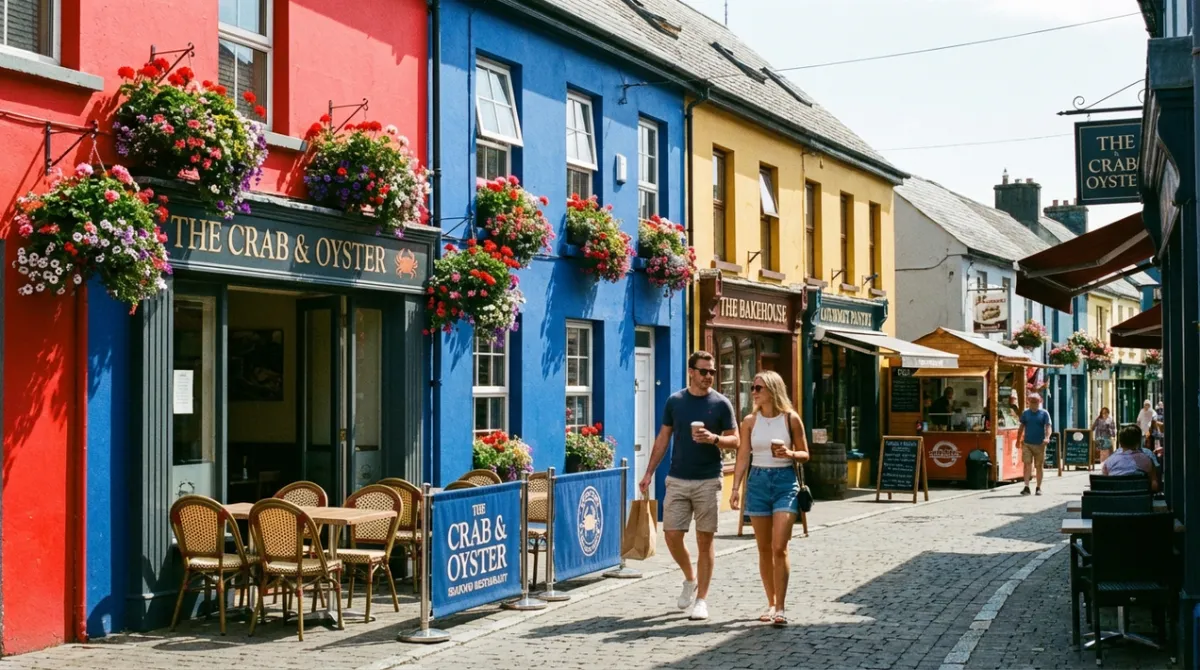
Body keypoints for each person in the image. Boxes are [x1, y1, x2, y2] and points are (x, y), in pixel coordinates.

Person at [639, 351, 738, 621]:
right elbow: (663, 438)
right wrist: (649, 472)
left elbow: (736, 441)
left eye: (712, 372)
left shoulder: (721, 404)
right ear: (691, 372)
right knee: (671, 534)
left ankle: (702, 600)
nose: (708, 377)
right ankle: (689, 577)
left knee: (705, 541)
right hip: (678, 478)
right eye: (703, 371)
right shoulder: (675, 401)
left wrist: (714, 439)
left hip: (708, 479)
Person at [729, 371, 809, 627]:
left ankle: (782, 608)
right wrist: (736, 488)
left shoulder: (790, 419)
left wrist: (789, 453)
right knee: (763, 549)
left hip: (785, 481)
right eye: (752, 387)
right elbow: (742, 455)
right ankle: (771, 602)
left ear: (773, 389)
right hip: (758, 482)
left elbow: (806, 454)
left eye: (758, 388)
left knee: (779, 546)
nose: (754, 392)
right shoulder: (749, 421)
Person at [1102, 425, 1159, 492]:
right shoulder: (1146, 460)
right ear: (1138, 442)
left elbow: (1105, 484)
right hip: (1139, 500)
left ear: (1120, 443)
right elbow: (1154, 486)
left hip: (1115, 500)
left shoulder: (1109, 461)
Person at [1015, 393, 1051, 496]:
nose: (1034, 404)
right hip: (1027, 443)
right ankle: (1026, 487)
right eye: (1032, 402)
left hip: (1040, 444)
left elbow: (1048, 426)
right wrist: (1018, 440)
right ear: (1029, 402)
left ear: (1039, 402)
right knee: (1027, 464)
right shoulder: (1026, 413)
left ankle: (1038, 487)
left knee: (1039, 466)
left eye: (1036, 402)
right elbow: (1021, 427)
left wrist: (1047, 438)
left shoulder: (1044, 413)